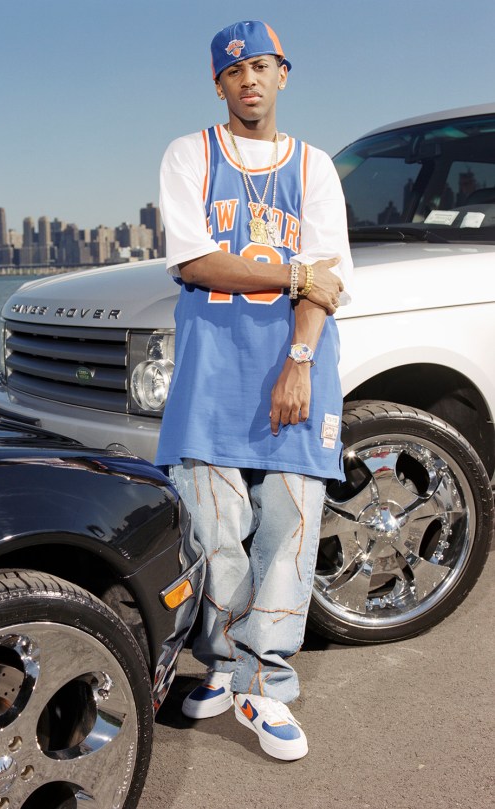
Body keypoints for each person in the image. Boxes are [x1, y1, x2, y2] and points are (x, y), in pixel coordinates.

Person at [155, 20, 353, 761]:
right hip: (212, 367)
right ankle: (227, 664)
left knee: (289, 527)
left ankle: (264, 684)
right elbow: (197, 263)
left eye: (261, 67)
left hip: (295, 364)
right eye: (234, 72)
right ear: (218, 85)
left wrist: (299, 360)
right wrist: (295, 271)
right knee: (212, 527)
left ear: (282, 74)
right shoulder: (191, 154)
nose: (248, 81)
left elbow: (327, 284)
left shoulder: (315, 167)